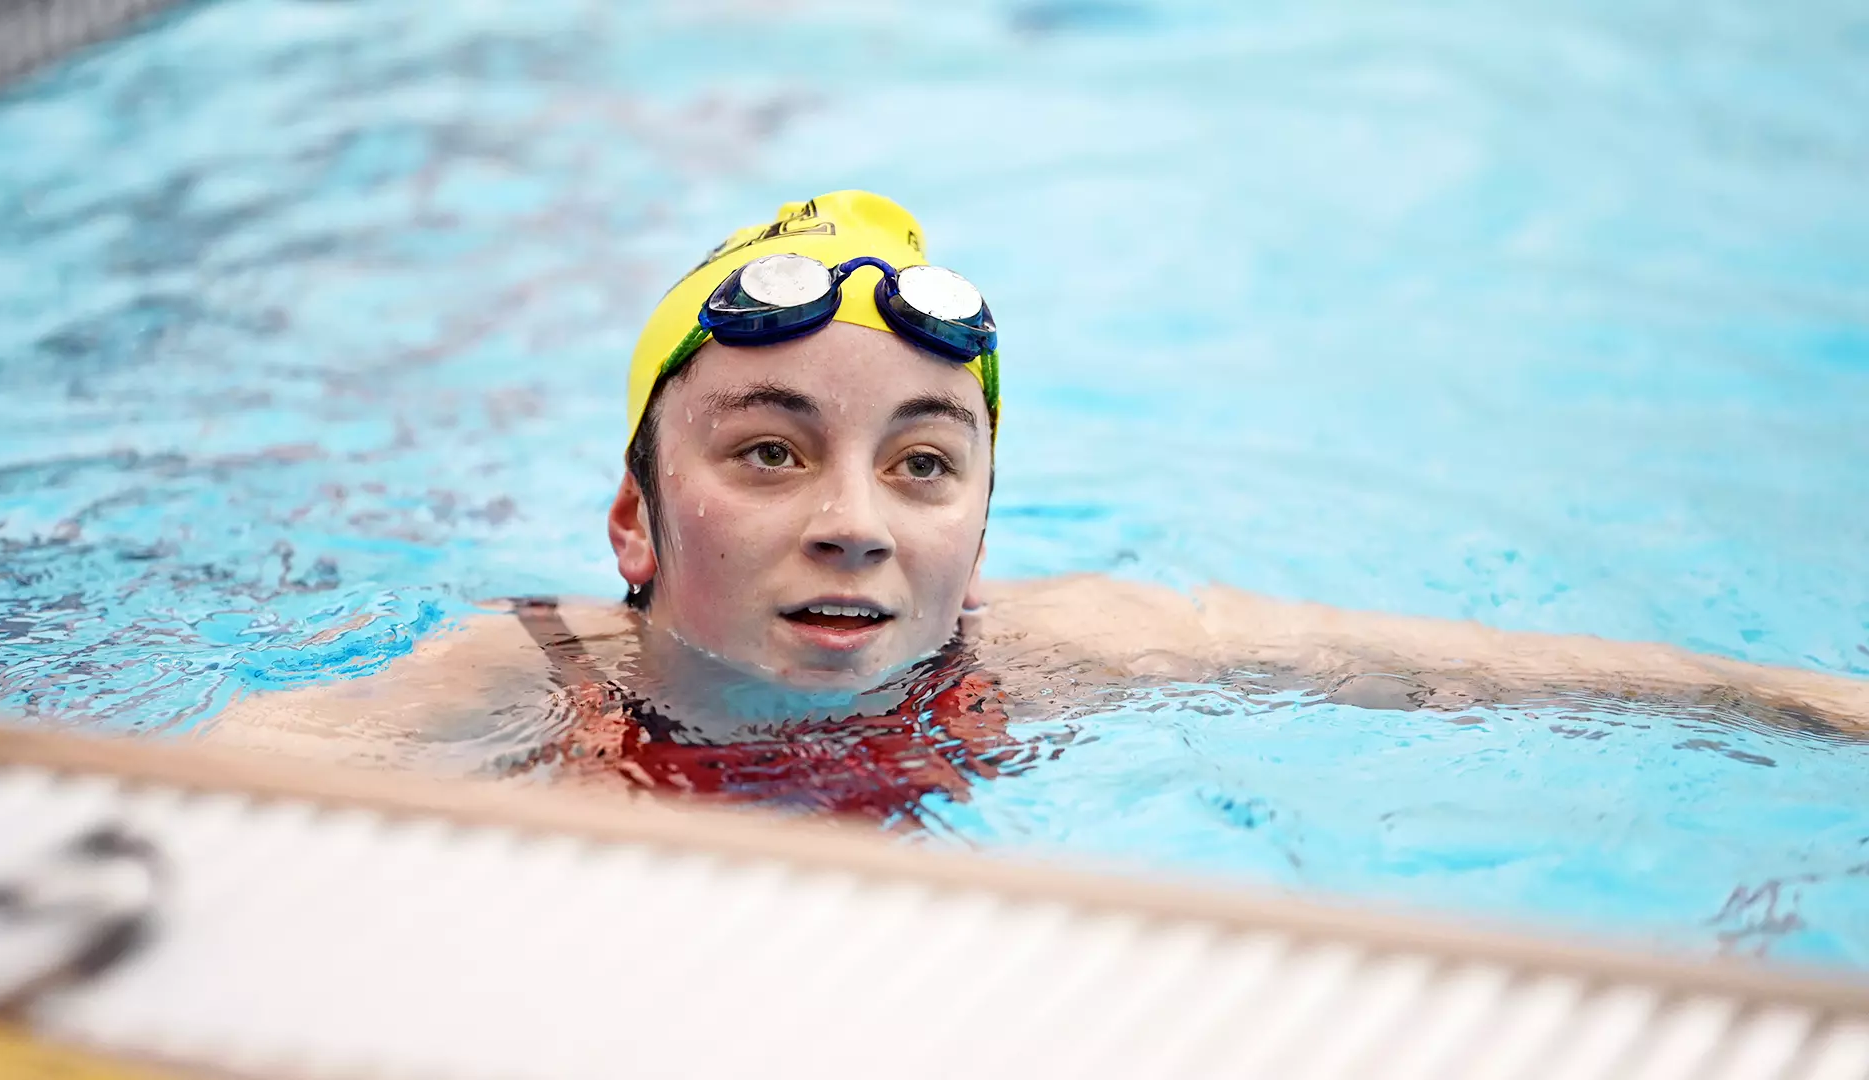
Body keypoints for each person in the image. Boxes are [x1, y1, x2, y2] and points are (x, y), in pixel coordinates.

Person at [210, 191, 1869, 822]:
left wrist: (1809, 704)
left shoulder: (1051, 653)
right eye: (770, 453)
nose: (857, 522)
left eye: (923, 463)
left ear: (982, 537)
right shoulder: (533, 676)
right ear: (635, 525)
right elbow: (201, 800)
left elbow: (1466, 673)